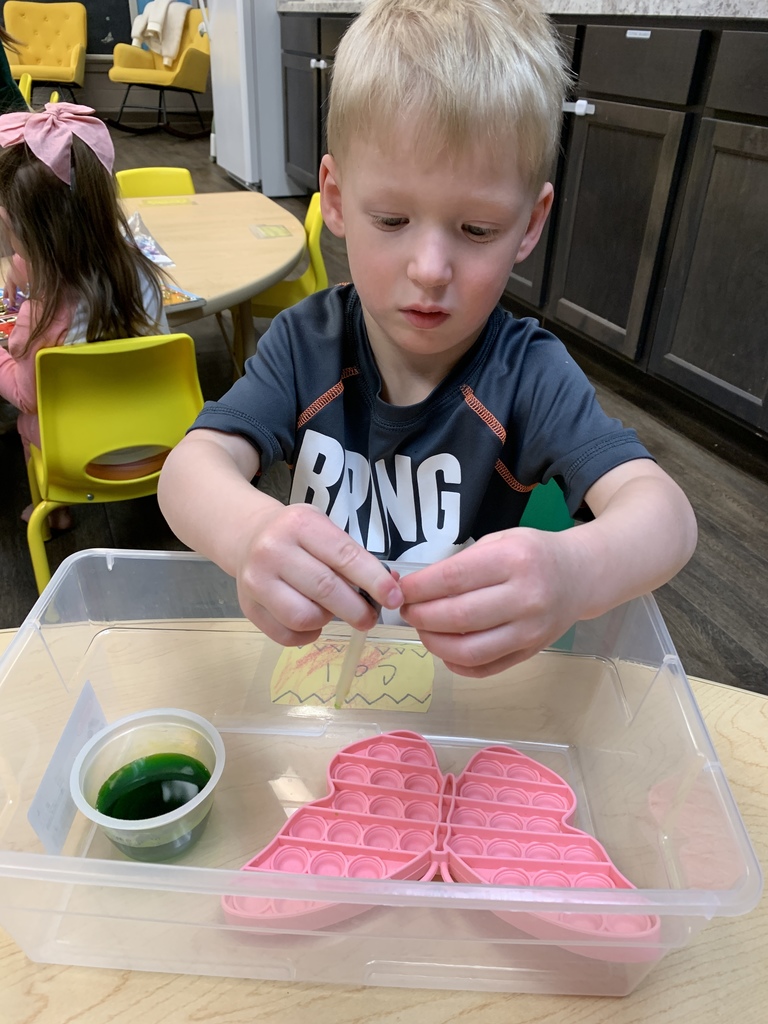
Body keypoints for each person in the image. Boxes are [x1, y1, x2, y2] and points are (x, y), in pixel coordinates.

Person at [158, 0, 697, 678]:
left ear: (530, 224)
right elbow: (189, 469)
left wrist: (573, 571)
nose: (431, 269)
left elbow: (667, 518)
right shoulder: (306, 343)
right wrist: (248, 534)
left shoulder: (527, 374)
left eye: (477, 230)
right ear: (336, 199)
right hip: (316, 673)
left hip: (461, 686)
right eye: (392, 219)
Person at [0, 102, 169, 529]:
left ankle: (54, 510)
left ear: (35, 239)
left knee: (26, 419)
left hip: (81, 459)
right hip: (162, 440)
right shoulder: (140, 271)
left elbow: (25, 396)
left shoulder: (39, 318)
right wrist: (22, 267)